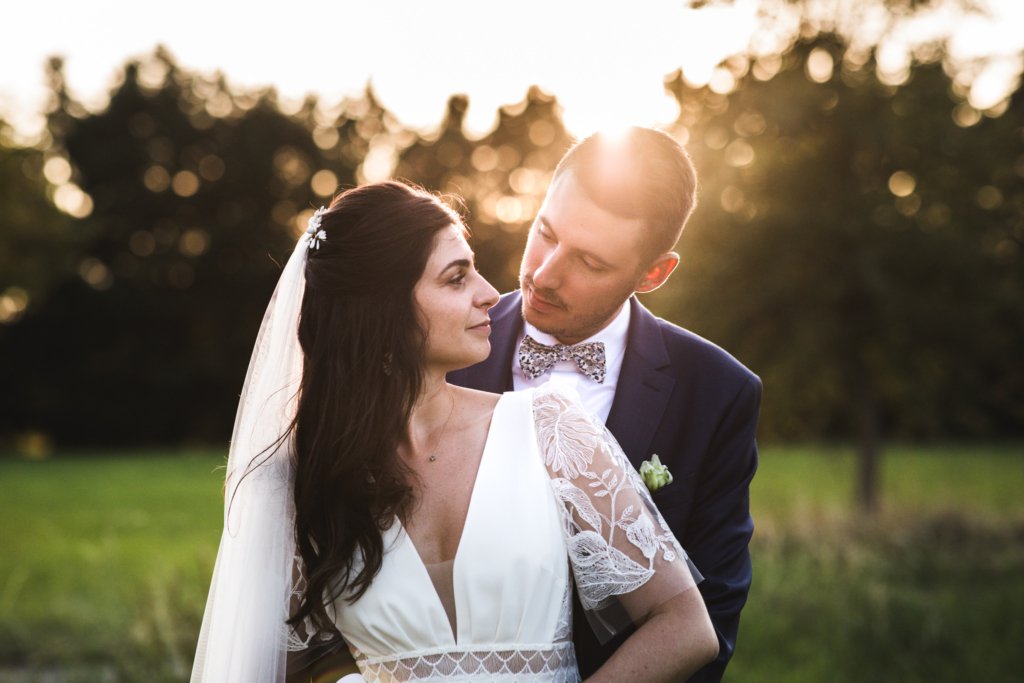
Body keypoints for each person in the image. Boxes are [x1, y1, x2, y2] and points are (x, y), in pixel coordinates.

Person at [190, 180, 720, 683]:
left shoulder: (549, 429)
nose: (491, 294)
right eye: (455, 277)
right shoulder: (300, 481)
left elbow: (685, 624)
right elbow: (269, 664)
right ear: (380, 309)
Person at [448, 127, 762, 682]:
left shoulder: (716, 392)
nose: (543, 274)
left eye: (590, 263)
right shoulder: (437, 348)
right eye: (545, 233)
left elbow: (710, 617)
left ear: (654, 273)